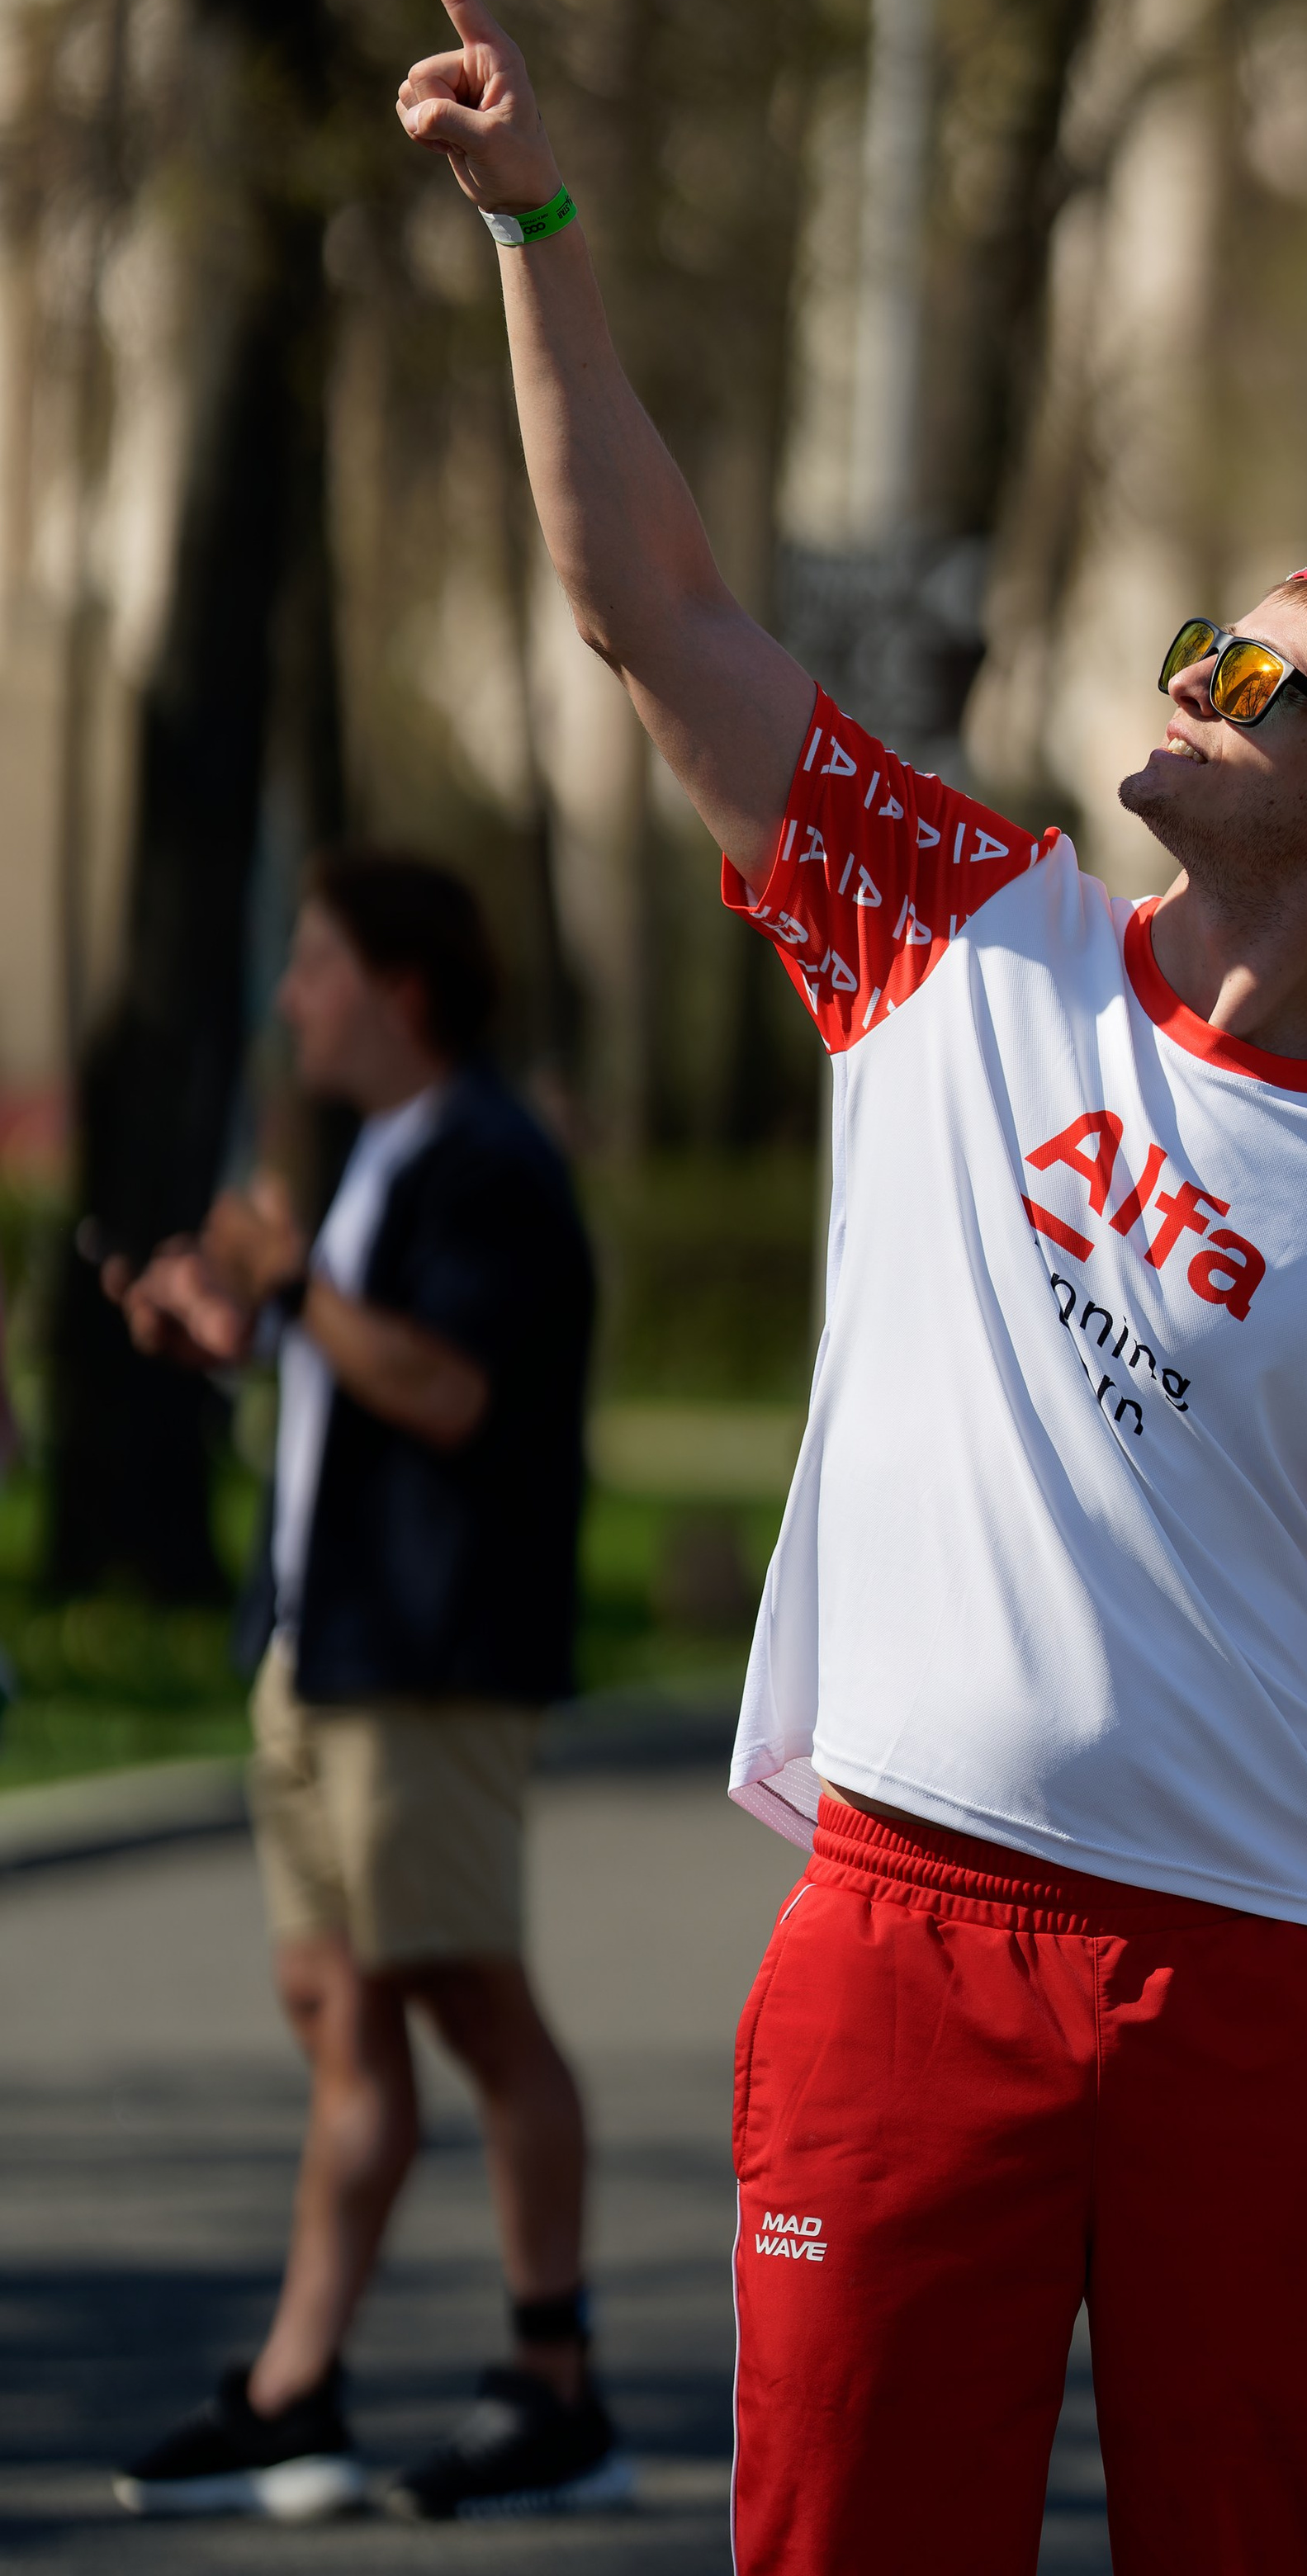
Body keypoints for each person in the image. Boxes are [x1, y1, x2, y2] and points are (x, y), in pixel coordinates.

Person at [395, 0, 1307, 2576]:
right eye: (1206, 638)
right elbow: (653, 608)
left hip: (1264, 2000)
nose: (1198, 674)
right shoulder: (957, 926)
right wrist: (537, 225)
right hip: (904, 1944)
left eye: (1267, 670)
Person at [103, 852, 624, 2523]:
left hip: (428, 1662)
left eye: (316, 963)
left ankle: (557, 2387)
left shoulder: (488, 1162)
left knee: (474, 2005)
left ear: (401, 990)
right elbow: (349, 1364)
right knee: (341, 2017)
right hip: (322, 1655)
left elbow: (448, 1389)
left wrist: (283, 1287)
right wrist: (236, 1331)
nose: (291, 993)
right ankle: (293, 2391)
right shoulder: (385, 1160)